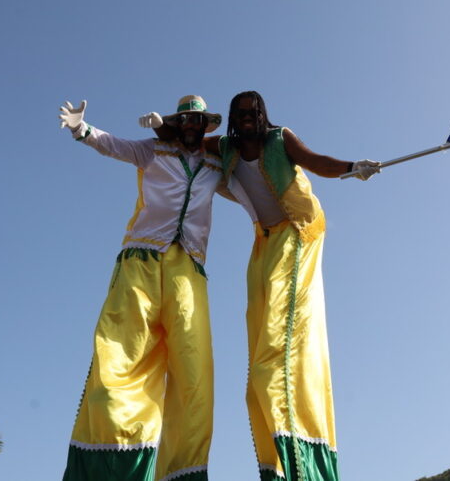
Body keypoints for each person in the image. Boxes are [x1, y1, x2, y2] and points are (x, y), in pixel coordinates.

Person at [142, 91, 380, 481]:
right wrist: (159, 125)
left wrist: (353, 167)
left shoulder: (280, 138)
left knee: (278, 335)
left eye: (253, 113)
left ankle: (301, 452)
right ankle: (276, 465)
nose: (248, 118)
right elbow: (186, 137)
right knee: (257, 333)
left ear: (263, 114)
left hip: (298, 229)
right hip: (264, 239)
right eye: (241, 114)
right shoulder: (225, 146)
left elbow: (314, 161)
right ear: (233, 118)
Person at [59, 95, 223, 481]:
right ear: (177, 123)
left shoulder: (216, 166)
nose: (190, 125)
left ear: (205, 126)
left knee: (194, 373)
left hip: (188, 268)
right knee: (119, 359)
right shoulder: (153, 151)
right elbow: (114, 146)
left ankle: (183, 473)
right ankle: (111, 466)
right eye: (184, 119)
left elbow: (249, 184)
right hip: (142, 259)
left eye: (196, 120)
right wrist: (82, 129)